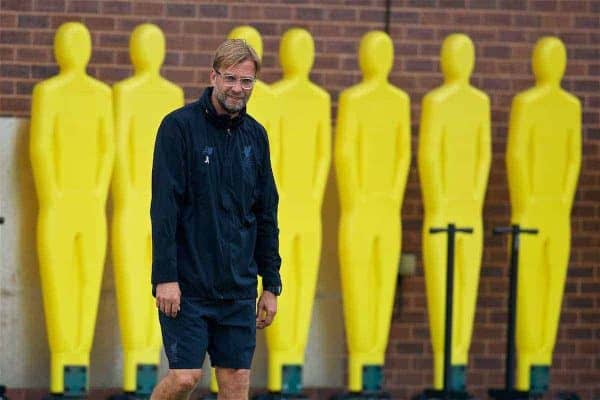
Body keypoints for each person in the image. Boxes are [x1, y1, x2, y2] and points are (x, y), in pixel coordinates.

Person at [149, 39, 282, 400]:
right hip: (187, 286)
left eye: (247, 81)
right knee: (184, 379)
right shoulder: (178, 128)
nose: (238, 88)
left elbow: (266, 212)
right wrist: (165, 277)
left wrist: (270, 283)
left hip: (238, 288)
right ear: (213, 77)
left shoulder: (256, 136)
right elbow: (164, 209)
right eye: (230, 78)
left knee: (237, 382)